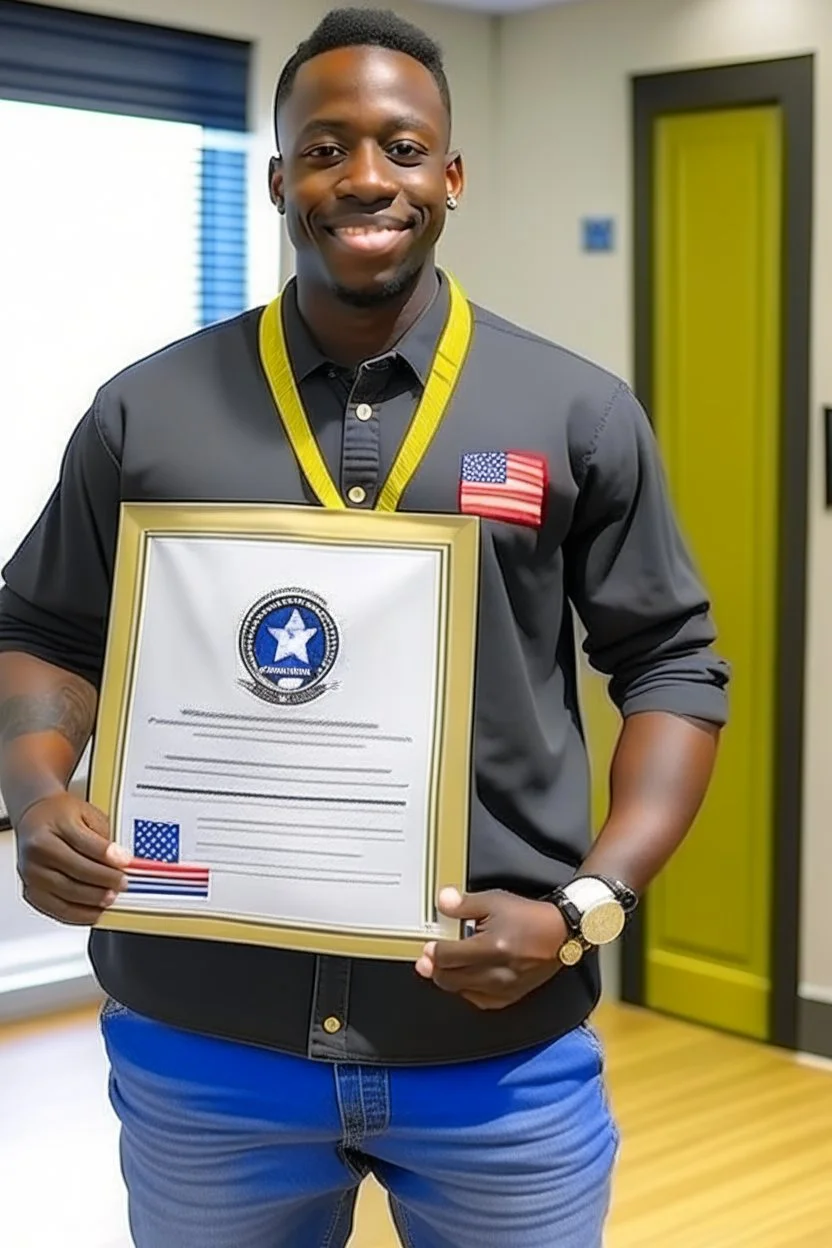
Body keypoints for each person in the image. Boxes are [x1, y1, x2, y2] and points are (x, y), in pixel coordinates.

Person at [0, 8, 729, 1247]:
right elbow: (45, 626)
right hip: (203, 1049)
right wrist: (30, 786)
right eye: (326, 147)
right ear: (280, 176)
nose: (365, 178)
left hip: (493, 1046)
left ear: (449, 175)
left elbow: (671, 664)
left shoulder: (574, 413)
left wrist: (589, 904)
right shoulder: (147, 409)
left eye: (401, 146)